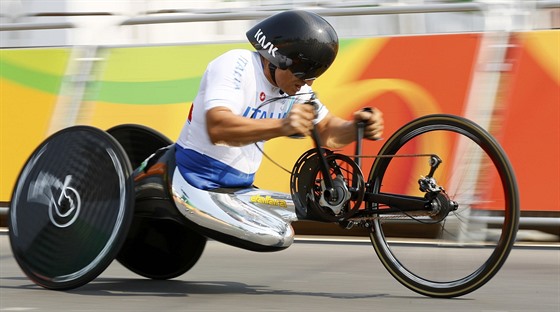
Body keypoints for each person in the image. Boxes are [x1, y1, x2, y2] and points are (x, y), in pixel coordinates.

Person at [175, 10, 384, 191]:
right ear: (278, 58)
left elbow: (327, 131)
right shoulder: (237, 63)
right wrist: (282, 126)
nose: (307, 84)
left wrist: (356, 127)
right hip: (195, 178)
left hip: (239, 187)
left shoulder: (296, 90)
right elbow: (218, 129)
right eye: (302, 75)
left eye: (312, 77)